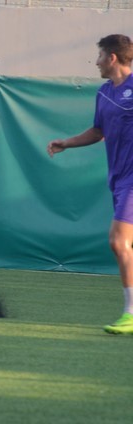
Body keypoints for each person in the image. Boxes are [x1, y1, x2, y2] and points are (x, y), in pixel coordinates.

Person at [47, 34, 133, 334]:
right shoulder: (104, 93)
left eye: (99, 56)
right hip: (118, 179)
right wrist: (67, 143)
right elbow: (98, 131)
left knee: (118, 242)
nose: (95, 62)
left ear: (111, 58)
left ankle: (130, 314)